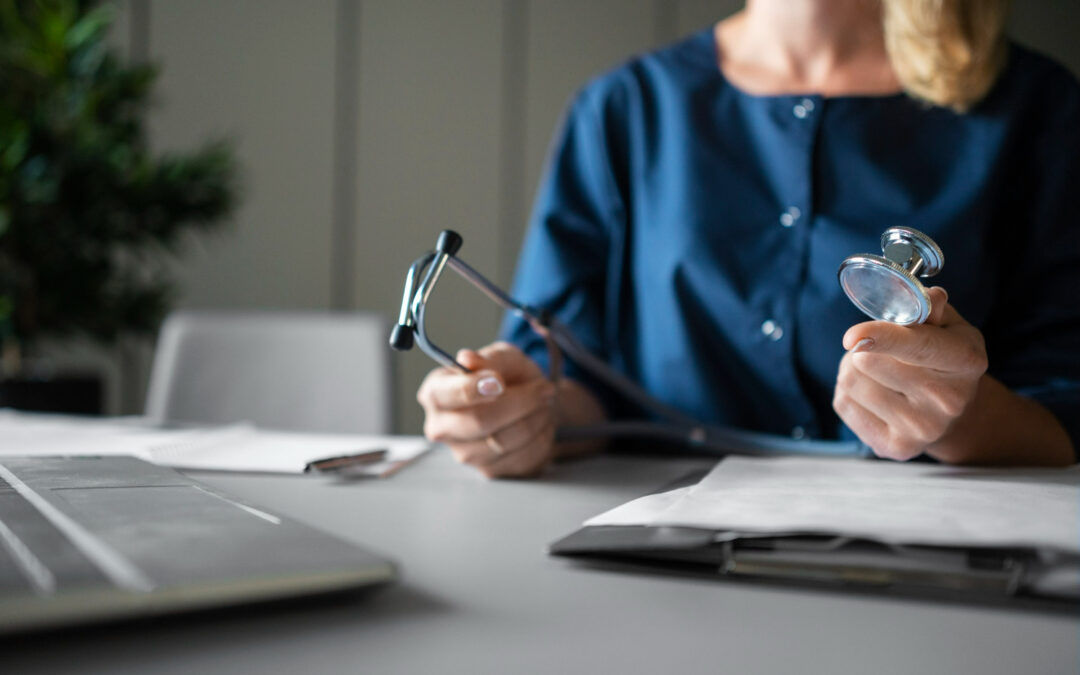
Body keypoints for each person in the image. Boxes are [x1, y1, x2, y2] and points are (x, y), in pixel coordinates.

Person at [417, 0, 1080, 478]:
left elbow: (1065, 406)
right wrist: (513, 416)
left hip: (928, 561)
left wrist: (954, 417)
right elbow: (565, 373)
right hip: (657, 559)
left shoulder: (1038, 110)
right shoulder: (627, 107)